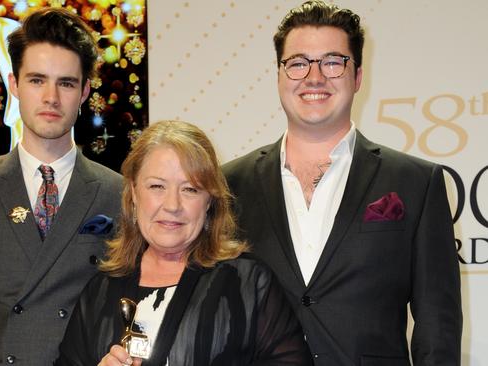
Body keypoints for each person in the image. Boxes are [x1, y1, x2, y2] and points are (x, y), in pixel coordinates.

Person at [223, 1, 462, 365]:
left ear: (358, 76)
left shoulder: (417, 182)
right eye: (298, 63)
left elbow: (437, 328)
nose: (314, 77)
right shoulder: (228, 185)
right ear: (279, 75)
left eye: (333, 62)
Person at [0, 8, 122, 365]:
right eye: (37, 80)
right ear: (14, 84)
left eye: (65, 83)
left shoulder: (116, 192)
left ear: (84, 92)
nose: (51, 97)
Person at [55, 120, 311, 366]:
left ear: (209, 201)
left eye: (190, 189)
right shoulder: (100, 290)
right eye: (157, 186)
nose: (172, 205)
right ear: (133, 192)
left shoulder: (249, 283)